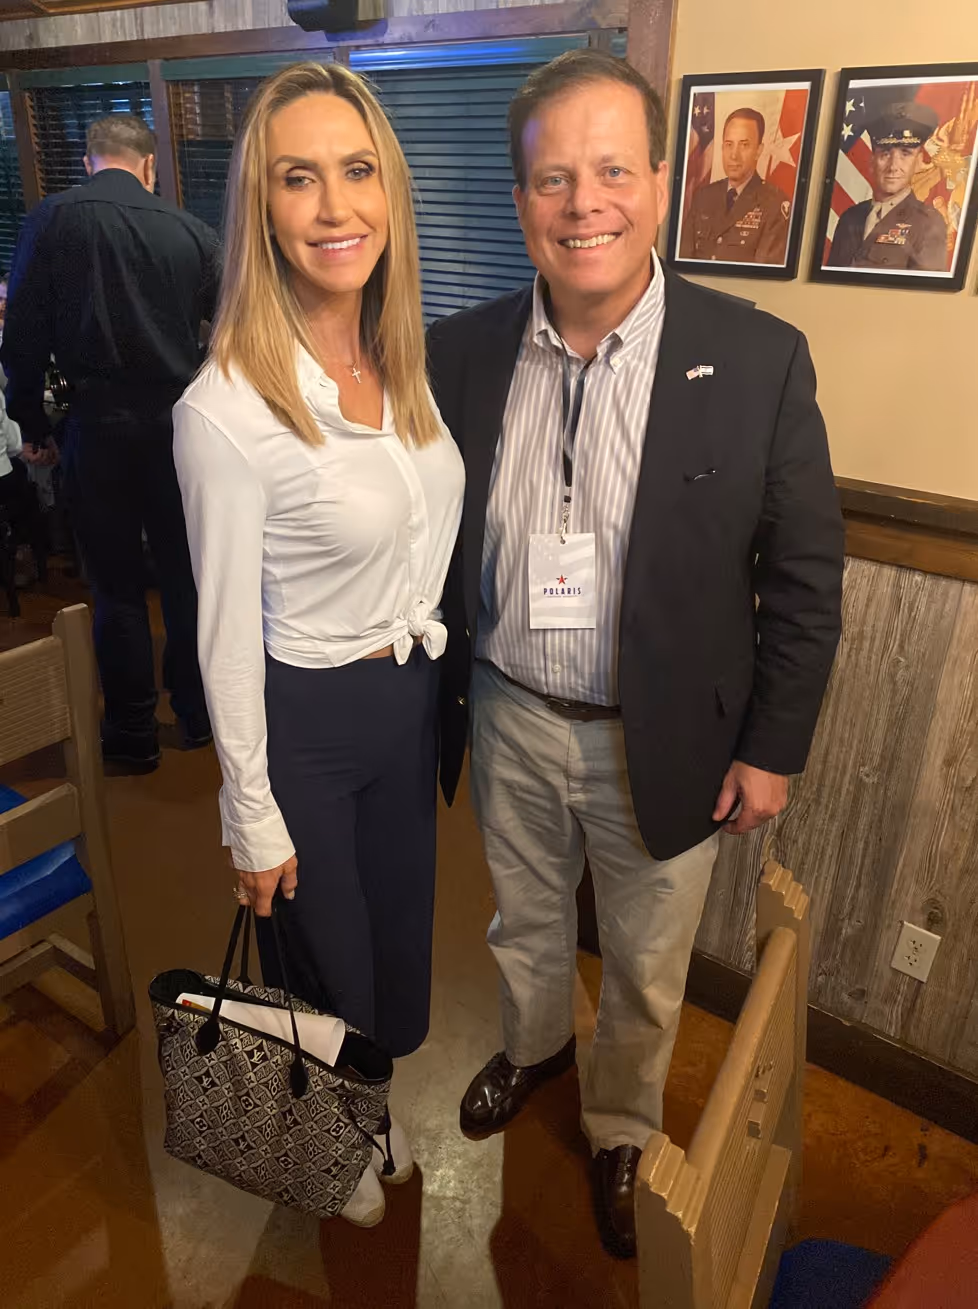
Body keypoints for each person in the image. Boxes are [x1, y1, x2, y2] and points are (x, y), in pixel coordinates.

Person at [429, 50, 844, 1259]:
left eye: (613, 168)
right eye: (553, 178)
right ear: (520, 205)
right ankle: (534, 1044)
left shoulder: (758, 358)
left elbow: (808, 578)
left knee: (652, 962)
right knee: (523, 925)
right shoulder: (461, 352)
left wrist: (772, 750)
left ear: (663, 182)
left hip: (668, 733)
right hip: (507, 707)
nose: (584, 203)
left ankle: (618, 1121)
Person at [172, 62, 463, 1229]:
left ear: (389, 194)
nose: (335, 207)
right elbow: (221, 636)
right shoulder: (228, 410)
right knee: (328, 962)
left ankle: (368, 1102)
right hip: (307, 723)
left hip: (404, 704)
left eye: (357, 173)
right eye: (301, 179)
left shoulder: (400, 359)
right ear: (263, 208)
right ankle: (328, 1132)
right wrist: (251, 808)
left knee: (397, 953)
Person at [1, 114, 219, 769]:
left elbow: (22, 339)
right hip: (183, 427)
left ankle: (131, 734)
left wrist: (32, 428)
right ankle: (199, 716)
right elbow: (230, 329)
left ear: (92, 161)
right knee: (188, 580)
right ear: (149, 166)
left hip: (96, 425)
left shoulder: (52, 221)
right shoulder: (191, 232)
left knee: (116, 587)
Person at [827, 101, 946, 271]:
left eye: (905, 153)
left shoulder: (928, 224)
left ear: (919, 162)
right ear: (872, 161)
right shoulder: (850, 218)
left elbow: (924, 293)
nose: (893, 166)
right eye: (885, 153)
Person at [678, 107, 790, 263]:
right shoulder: (704, 197)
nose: (734, 155)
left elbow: (764, 277)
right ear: (722, 147)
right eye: (729, 144)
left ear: (758, 150)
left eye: (744, 145)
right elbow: (683, 262)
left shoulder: (774, 204)